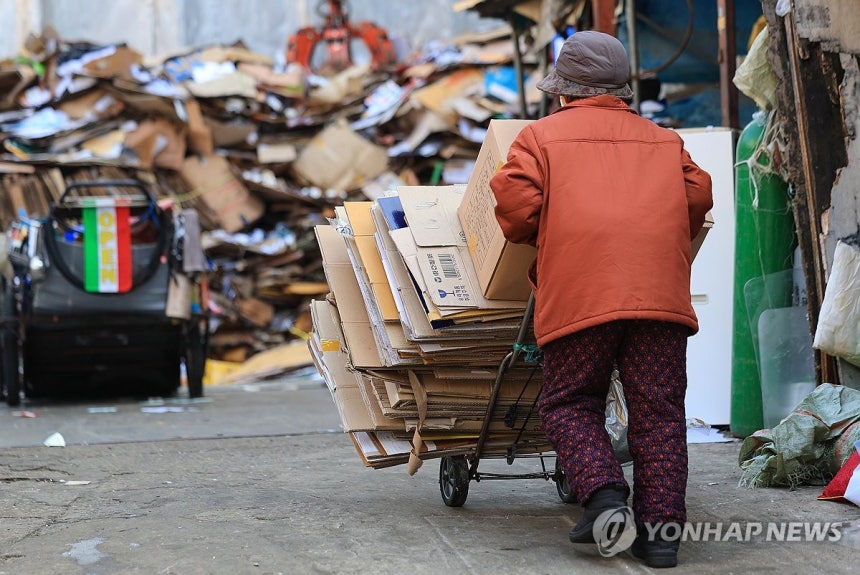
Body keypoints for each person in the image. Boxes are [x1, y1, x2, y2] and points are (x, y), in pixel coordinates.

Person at [489, 30, 713, 569]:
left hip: (580, 296)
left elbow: (516, 214)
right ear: (622, 91)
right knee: (659, 412)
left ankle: (606, 497)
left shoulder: (538, 139)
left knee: (569, 402)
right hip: (659, 298)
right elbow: (698, 195)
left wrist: (561, 226)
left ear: (562, 91)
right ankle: (661, 538)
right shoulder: (663, 140)